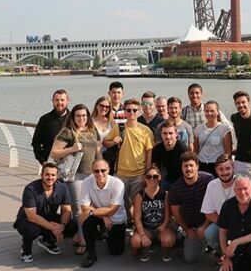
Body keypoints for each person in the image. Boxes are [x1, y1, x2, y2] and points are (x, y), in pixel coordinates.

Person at [48, 104, 102, 256]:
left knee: (92, 206)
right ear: (73, 117)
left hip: (91, 174)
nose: (81, 119)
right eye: (78, 116)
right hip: (75, 176)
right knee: (78, 209)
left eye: (84, 115)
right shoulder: (67, 132)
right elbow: (54, 153)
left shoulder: (92, 130)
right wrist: (71, 149)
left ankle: (80, 234)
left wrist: (102, 168)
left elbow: (97, 151)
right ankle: (84, 241)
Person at [103, 98, 154, 226]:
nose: (132, 112)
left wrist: (146, 173)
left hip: (139, 173)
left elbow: (149, 152)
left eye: (134, 110)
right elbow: (105, 142)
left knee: (137, 202)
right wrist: (114, 141)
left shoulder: (145, 130)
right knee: (121, 201)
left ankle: (136, 225)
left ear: (139, 111)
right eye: (128, 110)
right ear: (124, 111)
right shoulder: (119, 127)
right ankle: (126, 223)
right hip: (121, 172)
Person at [14, 162, 77, 263]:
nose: (50, 177)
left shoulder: (62, 187)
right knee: (31, 229)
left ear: (57, 176)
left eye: (53, 175)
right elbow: (32, 216)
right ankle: (26, 250)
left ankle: (46, 240)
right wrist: (54, 228)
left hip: (48, 217)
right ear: (41, 175)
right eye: (47, 174)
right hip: (27, 220)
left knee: (72, 225)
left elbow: (67, 210)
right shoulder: (31, 189)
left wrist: (62, 226)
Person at [78, 159, 127, 268]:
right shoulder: (86, 182)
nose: (100, 173)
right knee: (86, 219)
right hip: (98, 214)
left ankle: (104, 235)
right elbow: (84, 207)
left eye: (103, 170)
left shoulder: (117, 183)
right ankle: (91, 253)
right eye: (96, 171)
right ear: (92, 171)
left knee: (116, 251)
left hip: (115, 217)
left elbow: (113, 210)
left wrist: (92, 211)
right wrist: (104, 216)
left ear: (109, 170)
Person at [169, 151, 214, 264]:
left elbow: (215, 206)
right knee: (190, 258)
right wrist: (187, 230)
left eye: (191, 165)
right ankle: (194, 240)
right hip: (190, 227)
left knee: (211, 234)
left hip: (209, 222)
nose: (188, 169)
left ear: (197, 166)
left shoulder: (209, 181)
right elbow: (176, 213)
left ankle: (217, 249)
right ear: (181, 168)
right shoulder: (175, 188)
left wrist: (204, 227)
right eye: (185, 166)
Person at [217, 177, 251, 271]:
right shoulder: (227, 205)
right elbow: (222, 232)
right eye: (239, 189)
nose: (242, 192)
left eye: (245, 188)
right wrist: (226, 257)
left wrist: (236, 242)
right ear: (234, 190)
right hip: (236, 250)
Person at [130, 165, 176, 263]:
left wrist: (163, 225)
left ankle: (164, 248)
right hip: (146, 228)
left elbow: (168, 215)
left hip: (161, 228)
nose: (152, 179)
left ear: (159, 177)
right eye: (148, 176)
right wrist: (142, 234)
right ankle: (144, 248)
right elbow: (137, 217)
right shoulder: (140, 195)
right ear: (144, 178)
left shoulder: (165, 194)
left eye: (155, 176)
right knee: (136, 241)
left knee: (169, 240)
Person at [201, 154, 237, 263]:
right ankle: (222, 253)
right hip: (221, 222)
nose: (225, 172)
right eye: (221, 169)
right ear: (216, 170)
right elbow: (208, 212)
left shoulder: (242, 182)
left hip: (242, 223)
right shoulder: (212, 185)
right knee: (209, 233)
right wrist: (225, 224)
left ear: (233, 168)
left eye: (227, 168)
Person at [230, 91, 251, 186]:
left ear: (249, 102)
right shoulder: (234, 118)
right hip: (239, 161)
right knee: (240, 190)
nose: (241, 105)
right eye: (238, 103)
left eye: (243, 102)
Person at [31, 89, 70, 165]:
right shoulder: (45, 119)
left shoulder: (73, 119)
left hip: (70, 164)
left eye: (62, 100)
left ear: (68, 100)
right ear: (52, 101)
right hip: (50, 164)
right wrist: (42, 161)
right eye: (57, 100)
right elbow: (36, 142)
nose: (59, 103)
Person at [194, 101, 233, 175]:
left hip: (217, 164)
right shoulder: (198, 129)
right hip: (202, 164)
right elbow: (195, 150)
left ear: (218, 112)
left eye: (212, 111)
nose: (209, 113)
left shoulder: (224, 129)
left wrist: (223, 165)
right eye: (207, 111)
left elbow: (228, 152)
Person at [151, 120, 188, 190]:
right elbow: (155, 168)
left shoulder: (182, 149)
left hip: (181, 181)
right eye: (165, 133)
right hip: (165, 180)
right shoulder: (157, 149)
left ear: (176, 134)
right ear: (161, 134)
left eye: (170, 133)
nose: (168, 136)